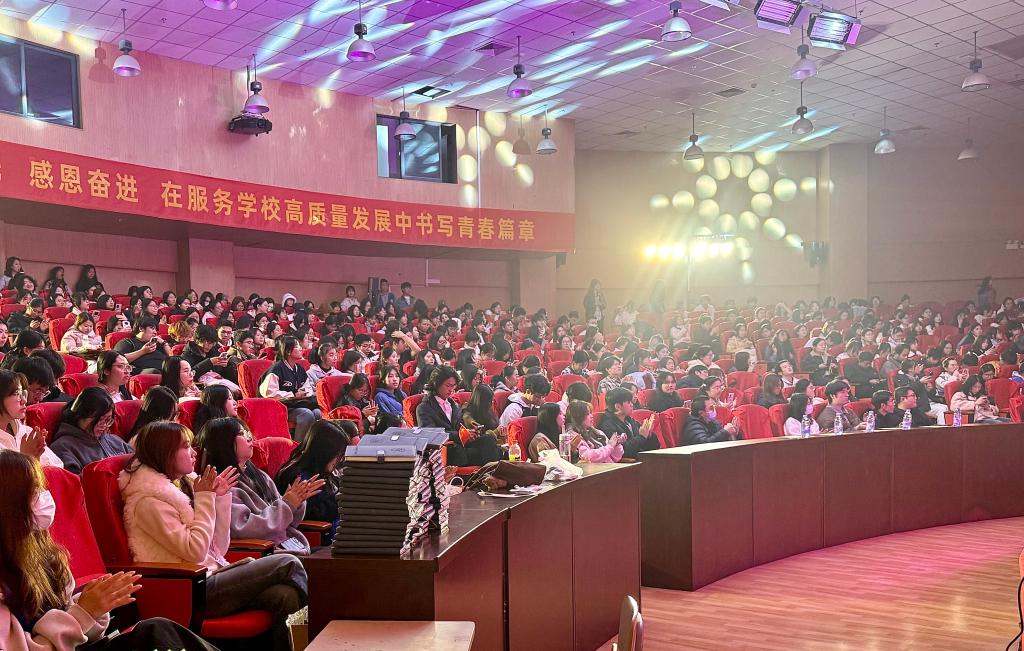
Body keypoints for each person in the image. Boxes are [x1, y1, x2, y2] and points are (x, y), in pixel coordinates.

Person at [0, 449, 223, 651]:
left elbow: (75, 624)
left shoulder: (45, 553)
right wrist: (83, 613)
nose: (44, 498)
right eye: (35, 491)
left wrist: (96, 605)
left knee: (157, 629)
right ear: (11, 504)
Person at [120, 421, 308, 651]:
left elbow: (219, 546)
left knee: (285, 595)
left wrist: (219, 499)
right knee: (288, 562)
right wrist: (205, 499)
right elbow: (195, 551)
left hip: (212, 574)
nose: (193, 452)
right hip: (187, 588)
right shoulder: (148, 502)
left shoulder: (185, 486)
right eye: (185, 446)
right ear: (164, 452)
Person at [196, 417, 323, 554]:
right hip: (265, 552)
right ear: (223, 443)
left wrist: (297, 500)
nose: (250, 438)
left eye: (248, 433)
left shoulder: (260, 476)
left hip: (288, 544)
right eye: (242, 434)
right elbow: (243, 529)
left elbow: (289, 522)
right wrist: (288, 504)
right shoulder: (221, 487)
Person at [276, 419, 355, 544]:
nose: (339, 460)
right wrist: (342, 500)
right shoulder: (299, 477)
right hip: (319, 536)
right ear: (325, 452)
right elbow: (309, 514)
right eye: (337, 454)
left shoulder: (323, 470)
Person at [48, 387, 132, 474]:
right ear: (80, 415)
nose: (103, 425)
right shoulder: (63, 447)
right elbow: (73, 481)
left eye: (107, 420)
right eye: (98, 420)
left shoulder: (114, 440)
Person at [259, 336, 320, 443]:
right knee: (306, 414)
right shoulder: (277, 369)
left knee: (318, 412)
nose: (301, 348)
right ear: (288, 351)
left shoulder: (299, 368)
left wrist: (303, 393)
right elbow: (269, 393)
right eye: (297, 346)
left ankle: (311, 445)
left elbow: (307, 388)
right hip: (280, 407)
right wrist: (293, 395)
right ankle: (297, 448)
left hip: (297, 404)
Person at [416, 366, 477, 467]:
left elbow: (460, 428)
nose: (451, 390)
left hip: (460, 445)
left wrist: (469, 433)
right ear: (436, 384)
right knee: (478, 452)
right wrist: (458, 435)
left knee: (487, 441)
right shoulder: (424, 408)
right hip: (445, 450)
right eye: (448, 386)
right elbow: (431, 434)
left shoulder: (454, 405)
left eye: (453, 386)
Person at [0, 370, 63, 467]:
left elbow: (58, 466)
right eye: (16, 394)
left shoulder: (26, 432)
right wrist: (27, 459)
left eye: (23, 393)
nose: (24, 400)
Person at [597, 388, 659, 458]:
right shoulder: (607, 426)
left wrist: (649, 435)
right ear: (618, 407)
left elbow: (653, 447)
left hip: (642, 459)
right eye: (629, 402)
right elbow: (623, 451)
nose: (632, 405)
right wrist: (642, 437)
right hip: (629, 462)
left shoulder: (630, 421)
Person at [459, 384, 506, 463]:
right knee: (490, 443)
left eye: (492, 401)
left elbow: (494, 429)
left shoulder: (488, 412)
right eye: (489, 401)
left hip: (492, 446)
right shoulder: (467, 415)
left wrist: (502, 435)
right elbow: (480, 436)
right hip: (478, 447)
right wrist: (496, 432)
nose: (491, 404)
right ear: (481, 402)